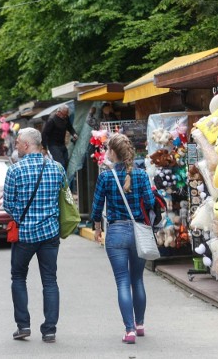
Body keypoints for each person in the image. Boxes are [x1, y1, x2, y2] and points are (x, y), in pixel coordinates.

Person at [91, 133, 155, 344]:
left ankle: (129, 331)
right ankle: (140, 324)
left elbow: (97, 206)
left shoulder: (106, 176)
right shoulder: (142, 175)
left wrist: (98, 227)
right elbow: (151, 202)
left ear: (112, 152)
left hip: (116, 232)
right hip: (139, 232)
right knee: (137, 279)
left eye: (107, 149)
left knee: (122, 282)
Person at [3, 128, 65, 343]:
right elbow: (63, 199)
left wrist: (23, 218)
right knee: (50, 280)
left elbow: (8, 205)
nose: (16, 145)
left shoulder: (15, 171)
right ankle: (50, 330)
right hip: (50, 233)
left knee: (18, 277)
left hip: (25, 235)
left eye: (18, 142)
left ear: (27, 145)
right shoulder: (57, 168)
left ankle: (23, 325)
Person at [41, 104, 78, 171]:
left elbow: (69, 127)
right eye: (64, 114)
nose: (65, 116)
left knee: (66, 162)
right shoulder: (52, 120)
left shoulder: (66, 118)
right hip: (53, 145)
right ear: (59, 112)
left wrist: (74, 133)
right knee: (61, 163)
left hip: (62, 144)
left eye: (66, 114)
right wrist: (44, 147)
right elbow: (44, 134)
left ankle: (65, 178)